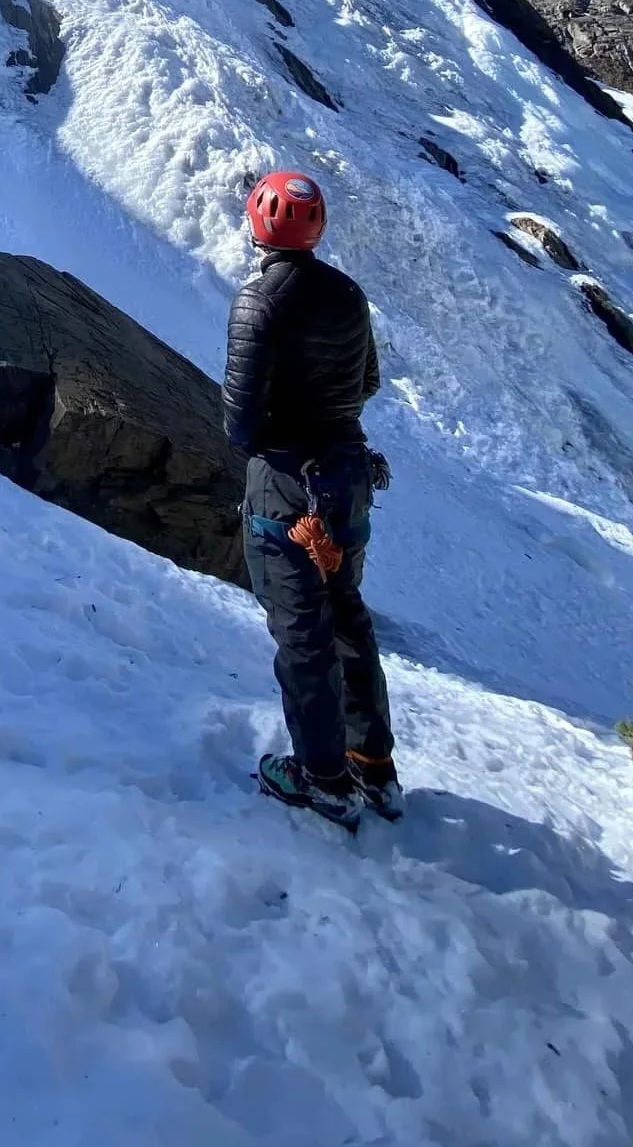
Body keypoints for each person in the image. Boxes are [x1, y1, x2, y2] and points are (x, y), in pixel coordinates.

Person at [222, 169, 400, 830]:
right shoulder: (348, 295)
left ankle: (324, 780)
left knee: (303, 636)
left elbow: (239, 425)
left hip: (286, 488)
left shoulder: (257, 301)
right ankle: (373, 769)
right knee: (348, 614)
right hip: (348, 479)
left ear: (257, 225)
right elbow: (369, 382)